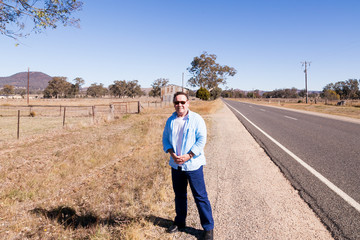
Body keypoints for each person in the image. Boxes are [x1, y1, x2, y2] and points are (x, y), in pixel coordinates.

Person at [162, 91, 214, 240]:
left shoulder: (196, 119)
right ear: (174, 104)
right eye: (177, 103)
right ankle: (180, 222)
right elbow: (165, 139)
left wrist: (189, 155)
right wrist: (172, 154)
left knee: (200, 196)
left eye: (182, 102)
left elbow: (201, 139)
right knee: (179, 195)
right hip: (176, 165)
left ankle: (208, 228)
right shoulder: (170, 120)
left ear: (188, 103)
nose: (179, 105)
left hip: (193, 166)